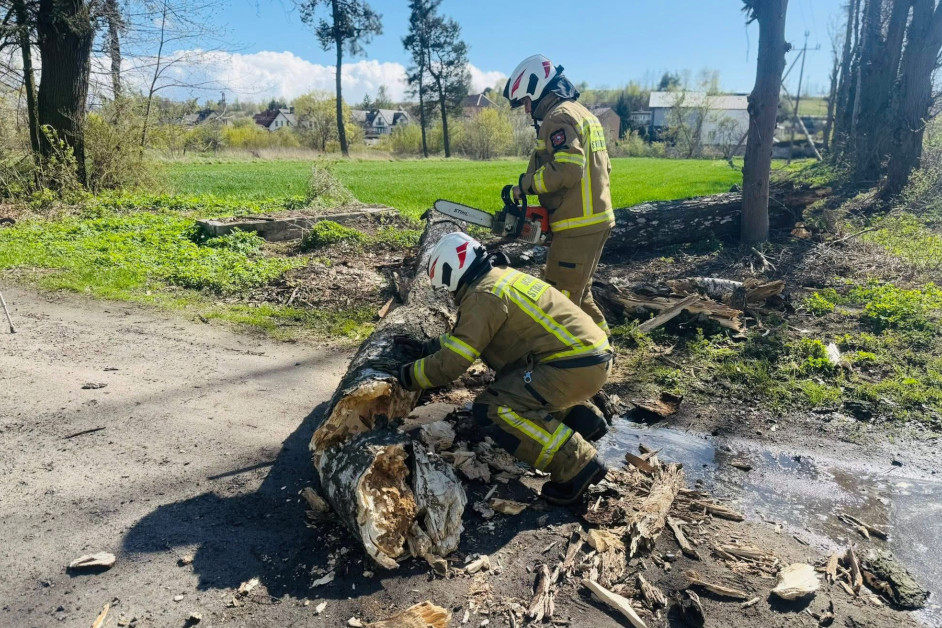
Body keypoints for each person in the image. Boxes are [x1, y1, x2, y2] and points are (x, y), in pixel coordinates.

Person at [397, 232, 612, 505]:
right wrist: (428, 349)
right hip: (588, 359)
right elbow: (471, 337)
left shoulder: (483, 296)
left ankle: (577, 465)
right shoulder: (500, 276)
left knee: (495, 408)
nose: (450, 295)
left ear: (451, 272)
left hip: (570, 368)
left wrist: (404, 376)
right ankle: (582, 420)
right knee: (517, 382)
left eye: (447, 288)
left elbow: (453, 364)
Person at [504, 54, 614, 336]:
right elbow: (604, 167)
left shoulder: (558, 117)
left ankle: (573, 362)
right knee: (580, 293)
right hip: (595, 221)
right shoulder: (582, 113)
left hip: (578, 226)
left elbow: (567, 170)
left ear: (538, 88)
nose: (527, 111)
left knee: (558, 300)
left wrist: (525, 185)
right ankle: (604, 347)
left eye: (526, 101)